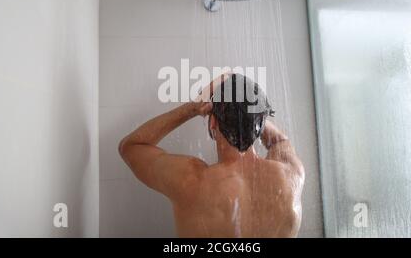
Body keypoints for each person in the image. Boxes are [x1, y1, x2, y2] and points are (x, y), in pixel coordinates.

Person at [118, 73, 304, 237]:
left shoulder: (191, 181)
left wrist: (192, 108)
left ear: (212, 121)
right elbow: (280, 141)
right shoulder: (291, 176)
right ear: (261, 122)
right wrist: (251, 113)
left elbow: (131, 146)